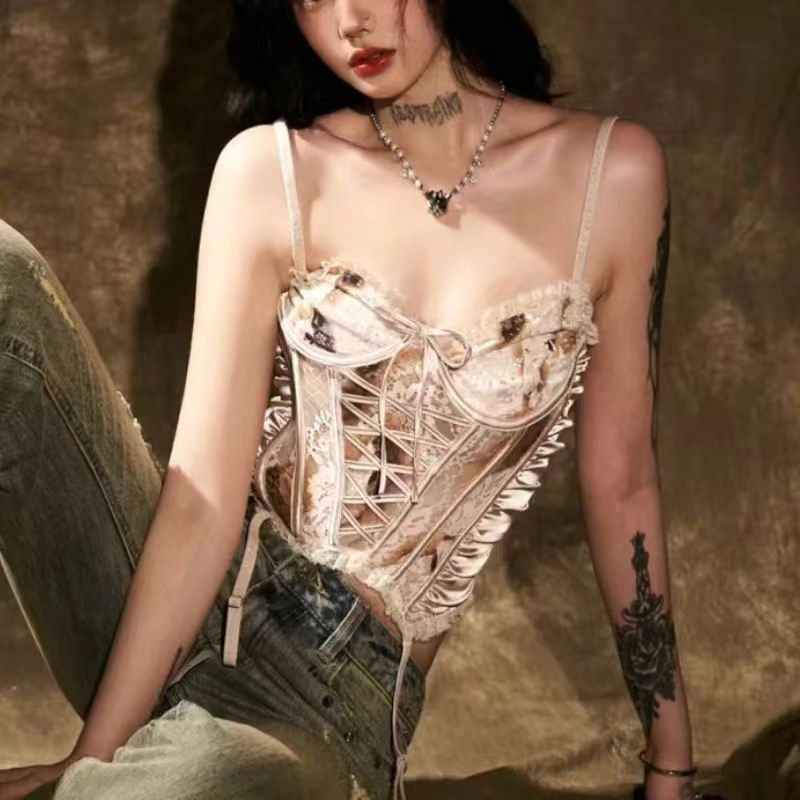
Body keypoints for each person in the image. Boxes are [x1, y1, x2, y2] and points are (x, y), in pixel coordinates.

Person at [0, 1, 701, 798]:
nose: (348, 22)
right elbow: (200, 507)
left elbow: (623, 482)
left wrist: (670, 763)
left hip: (326, 706)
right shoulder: (270, 171)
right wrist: (89, 757)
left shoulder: (615, 177)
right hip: (167, 602)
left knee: (211, 778)